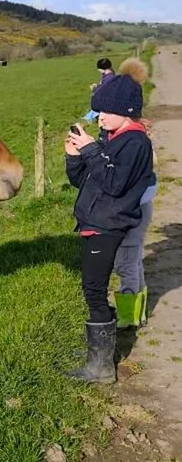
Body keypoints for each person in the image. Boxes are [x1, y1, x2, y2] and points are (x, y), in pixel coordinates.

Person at [64, 63, 155, 382]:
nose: (99, 117)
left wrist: (90, 149)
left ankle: (101, 366)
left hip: (108, 224)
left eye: (104, 111)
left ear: (125, 111)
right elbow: (86, 181)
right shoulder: (112, 137)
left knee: (94, 289)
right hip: (94, 221)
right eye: (97, 111)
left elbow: (114, 184)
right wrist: (74, 156)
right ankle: (100, 354)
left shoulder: (135, 143)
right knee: (93, 288)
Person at [111, 59, 155, 329]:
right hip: (143, 203)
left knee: (126, 262)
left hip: (133, 209)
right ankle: (138, 312)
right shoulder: (138, 132)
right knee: (134, 259)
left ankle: (128, 317)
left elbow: (121, 179)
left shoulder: (132, 141)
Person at [84, 58, 115, 123]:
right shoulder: (111, 77)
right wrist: (98, 86)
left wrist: (94, 90)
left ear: (101, 69)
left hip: (106, 109)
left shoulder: (108, 79)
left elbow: (102, 94)